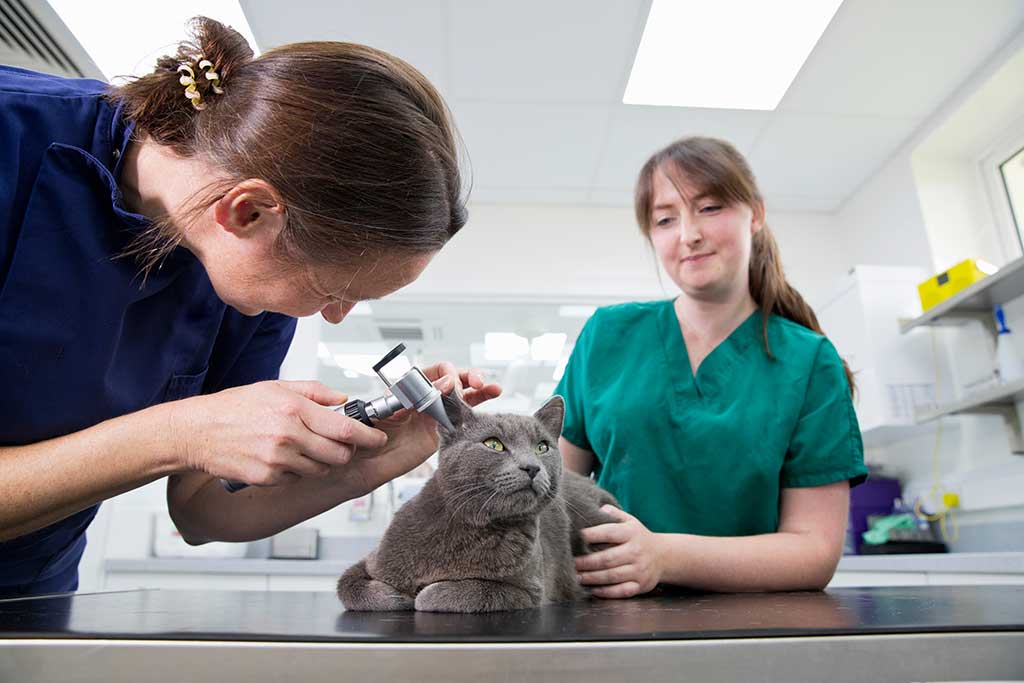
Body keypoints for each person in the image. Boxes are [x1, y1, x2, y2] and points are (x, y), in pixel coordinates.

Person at [0, 17, 499, 599]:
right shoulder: (13, 138)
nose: (333, 315)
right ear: (249, 212)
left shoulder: (245, 278)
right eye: (332, 290)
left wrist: (375, 458)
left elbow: (204, 511)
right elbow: (179, 444)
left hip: (29, 585)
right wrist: (174, 433)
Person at [555, 137, 867, 597]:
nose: (688, 234)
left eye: (710, 207)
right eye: (665, 219)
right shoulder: (607, 336)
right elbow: (552, 492)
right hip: (610, 614)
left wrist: (663, 555)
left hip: (753, 627)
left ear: (755, 215)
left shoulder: (809, 361)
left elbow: (815, 551)